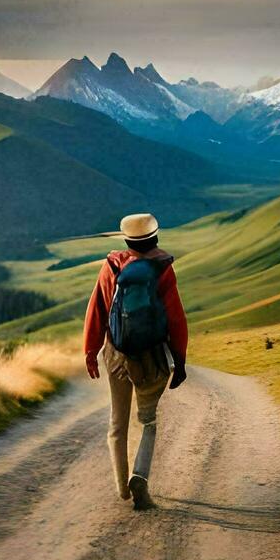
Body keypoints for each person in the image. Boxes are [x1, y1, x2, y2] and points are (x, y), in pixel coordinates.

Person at [83, 213, 188, 511]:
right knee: (148, 421)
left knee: (117, 424)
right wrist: (179, 361)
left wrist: (91, 351)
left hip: (116, 353)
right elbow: (176, 319)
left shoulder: (112, 266)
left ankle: (122, 489)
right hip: (150, 359)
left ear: (127, 240)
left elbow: (98, 309)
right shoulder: (163, 269)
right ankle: (139, 476)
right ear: (155, 237)